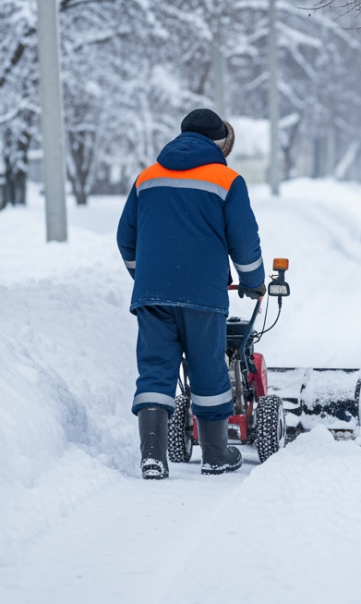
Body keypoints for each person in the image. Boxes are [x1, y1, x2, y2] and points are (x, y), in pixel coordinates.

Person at [117, 109, 266, 480]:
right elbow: (244, 241)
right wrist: (253, 280)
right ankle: (215, 455)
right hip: (203, 293)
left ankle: (153, 457)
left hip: (153, 295)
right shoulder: (227, 179)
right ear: (220, 143)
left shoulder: (146, 178)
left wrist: (145, 276)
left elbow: (126, 238)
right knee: (208, 369)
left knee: (155, 370)